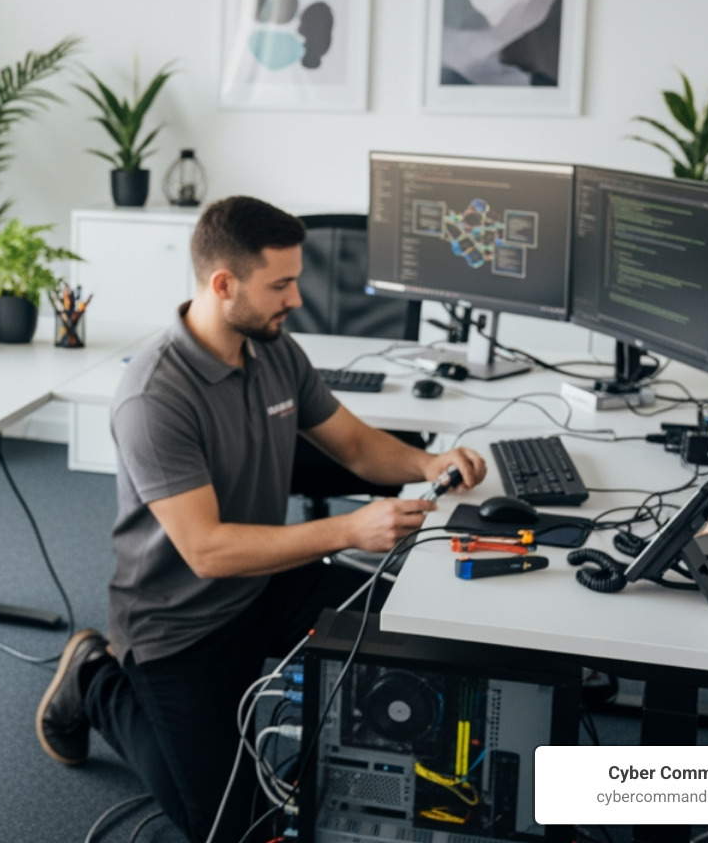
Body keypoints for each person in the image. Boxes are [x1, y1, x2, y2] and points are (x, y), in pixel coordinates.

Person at [35, 196, 486, 843]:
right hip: (178, 624)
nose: (297, 299)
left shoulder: (273, 349)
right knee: (229, 829)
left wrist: (429, 459)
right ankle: (92, 677)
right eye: (281, 284)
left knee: (416, 626)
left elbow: (355, 446)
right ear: (224, 286)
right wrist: (352, 531)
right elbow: (208, 552)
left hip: (268, 580)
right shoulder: (154, 396)